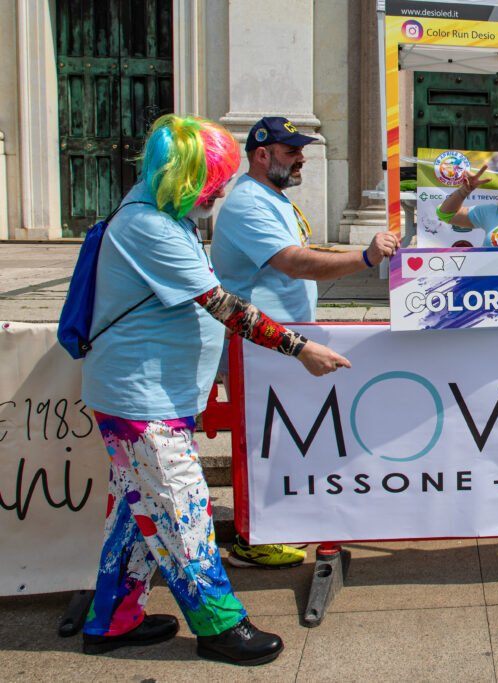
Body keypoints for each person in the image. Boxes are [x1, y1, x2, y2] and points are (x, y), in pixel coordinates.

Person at [79, 115, 350, 665]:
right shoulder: (150, 227)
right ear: (182, 177)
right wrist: (301, 348)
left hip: (151, 394)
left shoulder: (159, 213)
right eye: (212, 180)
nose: (221, 191)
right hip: (142, 400)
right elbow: (223, 305)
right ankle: (221, 626)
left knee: (137, 514)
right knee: (184, 512)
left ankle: (112, 620)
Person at [210, 116, 398, 568]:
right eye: (292, 152)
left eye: (301, 151)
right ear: (261, 155)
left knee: (279, 439)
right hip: (258, 346)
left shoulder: (271, 198)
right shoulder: (248, 203)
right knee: (262, 440)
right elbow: (294, 263)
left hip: (281, 344)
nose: (302, 160)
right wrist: (365, 257)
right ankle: (253, 540)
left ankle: (273, 524)